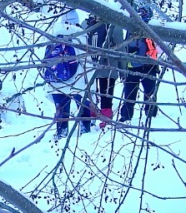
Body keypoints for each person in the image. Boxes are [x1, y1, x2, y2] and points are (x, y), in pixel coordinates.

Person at [44, 9, 93, 139]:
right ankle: (85, 130)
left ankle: (61, 133)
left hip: (57, 82)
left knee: (61, 110)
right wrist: (91, 87)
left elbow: (47, 61)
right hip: (77, 82)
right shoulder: (81, 37)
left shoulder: (53, 36)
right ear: (76, 21)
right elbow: (87, 63)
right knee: (83, 107)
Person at [117, 6, 162, 124]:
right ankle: (132, 114)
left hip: (146, 64)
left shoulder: (149, 27)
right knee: (137, 92)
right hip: (140, 64)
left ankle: (147, 113)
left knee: (145, 92)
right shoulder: (132, 27)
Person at [86, 11, 126, 128]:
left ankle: (92, 115)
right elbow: (121, 50)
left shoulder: (87, 24)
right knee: (106, 92)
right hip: (108, 66)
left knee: (93, 91)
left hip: (89, 65)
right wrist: (122, 70)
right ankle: (105, 116)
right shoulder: (114, 26)